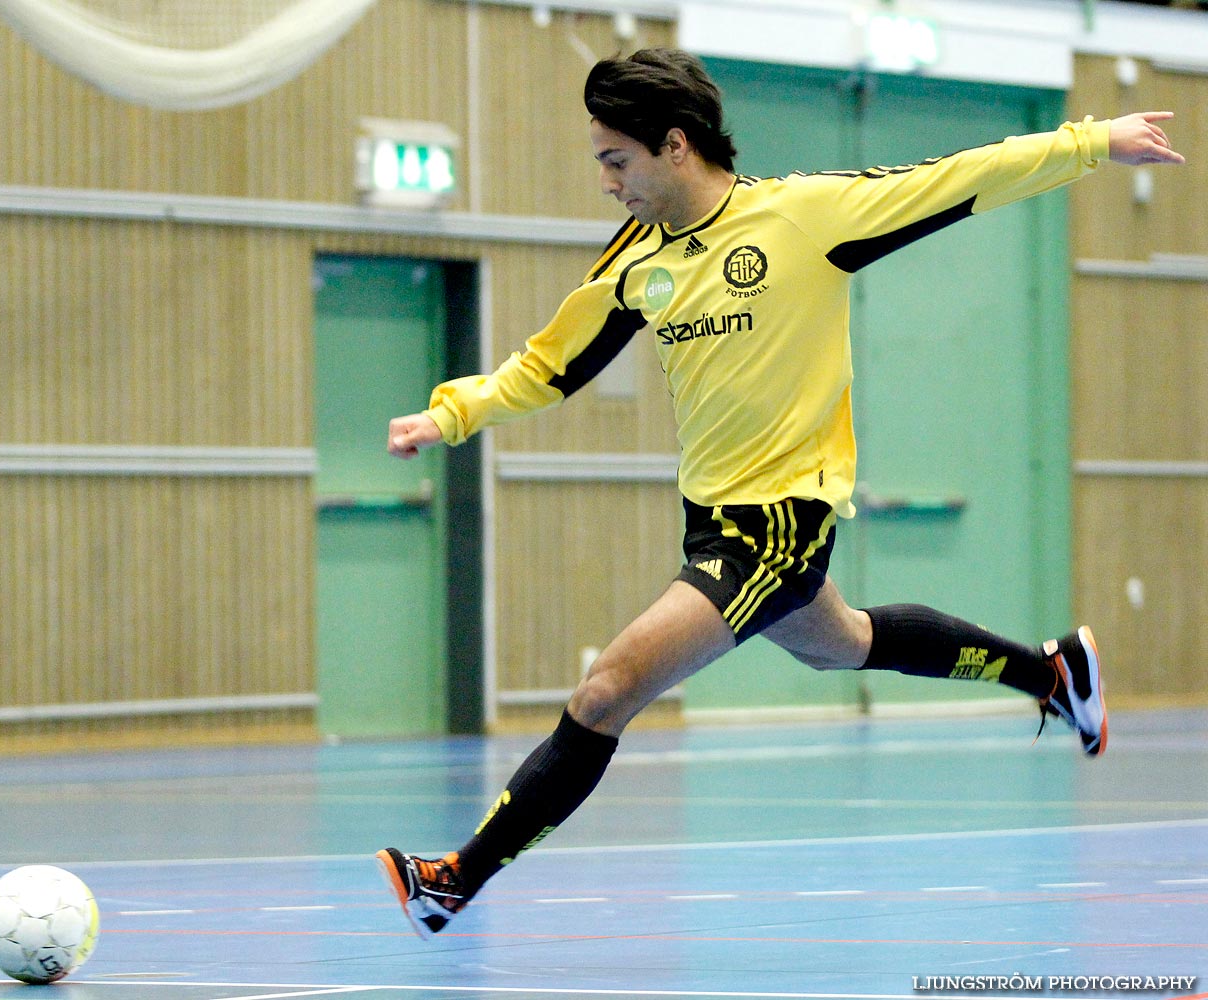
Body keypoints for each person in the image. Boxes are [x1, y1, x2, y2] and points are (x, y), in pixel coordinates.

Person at [374, 48, 1185, 938]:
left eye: (617, 161)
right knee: (844, 643)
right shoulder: (636, 261)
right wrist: (449, 416)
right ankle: (1053, 672)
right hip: (710, 523)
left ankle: (457, 877)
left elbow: (959, 179)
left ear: (675, 146)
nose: (607, 183)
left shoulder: (803, 216)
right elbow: (551, 365)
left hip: (778, 527)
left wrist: (1093, 141)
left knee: (607, 689)